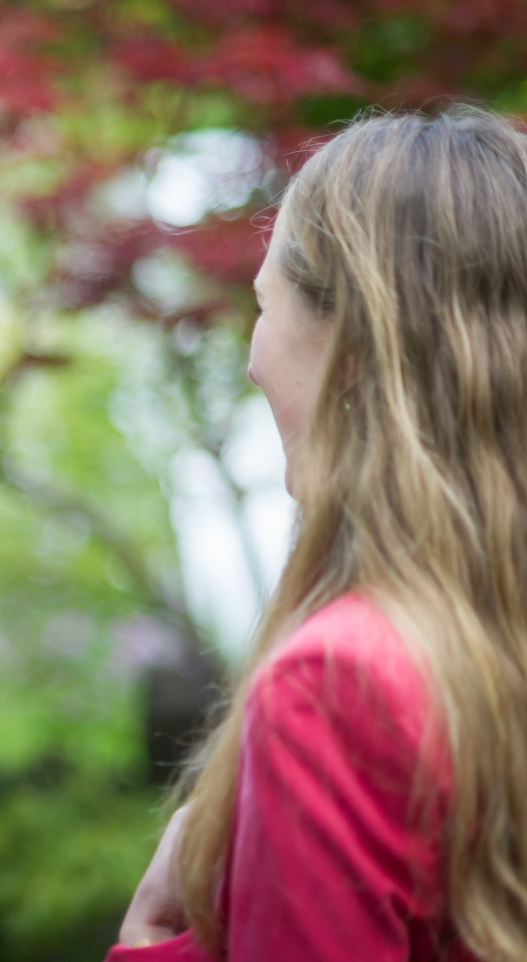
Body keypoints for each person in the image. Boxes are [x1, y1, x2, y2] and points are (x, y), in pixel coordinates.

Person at [110, 109, 527, 960]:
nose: (254, 356)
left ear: (354, 340)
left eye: (264, 304)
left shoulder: (340, 686)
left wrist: (153, 946)